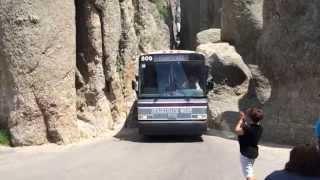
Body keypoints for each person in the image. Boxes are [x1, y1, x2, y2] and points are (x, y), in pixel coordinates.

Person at [234, 108, 264, 180]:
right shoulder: (260, 128)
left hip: (246, 154)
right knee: (250, 172)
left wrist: (241, 120)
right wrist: (244, 119)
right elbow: (249, 128)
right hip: (253, 152)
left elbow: (237, 130)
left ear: (250, 118)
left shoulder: (247, 128)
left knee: (249, 176)